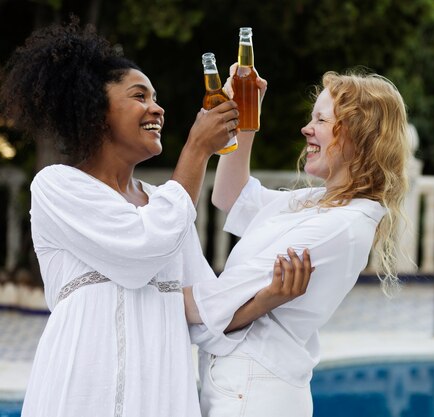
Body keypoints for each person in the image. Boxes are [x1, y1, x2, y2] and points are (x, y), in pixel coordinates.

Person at [0, 21, 311, 417]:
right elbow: (140, 252)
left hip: (160, 398)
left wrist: (270, 297)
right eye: (139, 95)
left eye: (156, 97)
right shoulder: (58, 187)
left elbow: (204, 308)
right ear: (96, 111)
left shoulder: (167, 204)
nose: (158, 108)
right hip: (81, 394)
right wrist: (197, 149)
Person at [183, 66, 412, 417]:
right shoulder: (315, 202)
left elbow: (212, 306)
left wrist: (125, 285)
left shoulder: (340, 224)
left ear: (358, 134)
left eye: (321, 119)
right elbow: (231, 196)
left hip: (256, 393)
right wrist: (245, 119)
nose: (307, 128)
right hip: (244, 386)